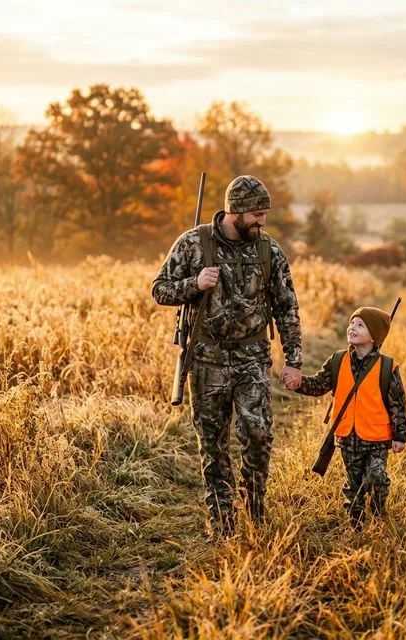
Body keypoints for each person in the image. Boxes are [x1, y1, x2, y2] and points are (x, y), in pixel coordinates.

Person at [152, 175, 302, 539]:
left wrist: (293, 358)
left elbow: (287, 308)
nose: (261, 221)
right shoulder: (193, 243)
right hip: (206, 360)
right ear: (235, 211)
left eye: (264, 214)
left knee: (257, 432)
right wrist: (195, 283)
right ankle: (221, 521)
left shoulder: (269, 250)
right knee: (213, 443)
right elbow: (159, 289)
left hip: (253, 357)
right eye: (256, 214)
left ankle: (254, 511)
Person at [283, 307, 406, 528]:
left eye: (360, 325)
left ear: (374, 336)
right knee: (354, 484)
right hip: (347, 436)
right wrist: (299, 382)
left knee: (377, 476)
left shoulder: (387, 367)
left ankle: (379, 512)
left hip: (377, 437)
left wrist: (400, 436)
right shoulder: (338, 360)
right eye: (352, 323)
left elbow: (398, 403)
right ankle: (356, 524)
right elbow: (319, 385)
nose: (352, 327)